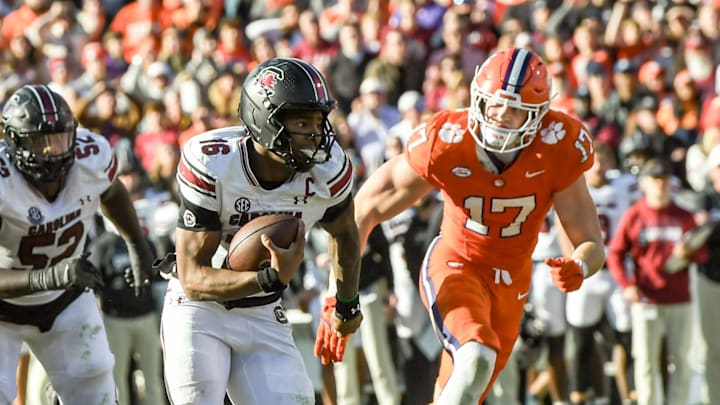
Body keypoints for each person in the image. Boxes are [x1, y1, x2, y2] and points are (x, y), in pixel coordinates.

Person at [353, 47, 605, 404]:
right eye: (494, 103)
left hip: (511, 285)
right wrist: (340, 292)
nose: (500, 116)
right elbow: (366, 206)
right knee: (475, 356)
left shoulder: (557, 145)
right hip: (456, 263)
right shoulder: (447, 139)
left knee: (463, 387)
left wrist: (579, 265)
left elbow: (590, 241)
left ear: (537, 116)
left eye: (515, 109)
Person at [160, 58, 363, 405]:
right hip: (198, 309)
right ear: (264, 119)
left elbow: (344, 233)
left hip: (262, 311)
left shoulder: (328, 171)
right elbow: (193, 278)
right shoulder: (214, 161)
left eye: (318, 121)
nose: (314, 134)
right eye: (302, 121)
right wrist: (269, 278)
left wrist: (346, 305)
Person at [0, 84, 154, 404]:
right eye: (42, 142)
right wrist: (52, 276)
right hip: (5, 308)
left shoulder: (91, 156)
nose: (53, 151)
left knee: (96, 387)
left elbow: (111, 192)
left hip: (65, 299)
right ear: (13, 141)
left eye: (60, 138)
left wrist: (136, 244)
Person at [607, 158, 705, 405]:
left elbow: (702, 253)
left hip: (679, 299)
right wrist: (626, 284)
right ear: (645, 183)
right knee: (645, 361)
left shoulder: (683, 216)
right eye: (654, 180)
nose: (659, 185)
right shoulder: (635, 215)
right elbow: (616, 253)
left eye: (663, 180)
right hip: (646, 298)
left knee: (681, 360)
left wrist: (689, 253)